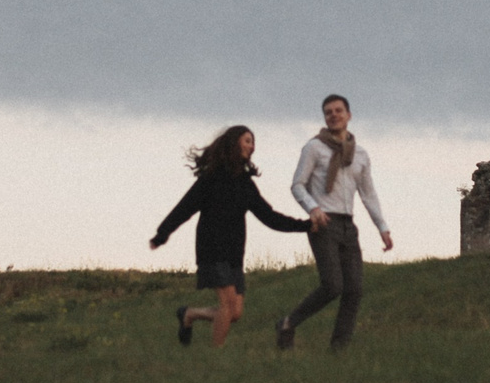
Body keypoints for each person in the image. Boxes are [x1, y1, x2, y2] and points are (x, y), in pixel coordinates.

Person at [149, 126, 310, 348]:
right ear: (234, 143)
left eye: (253, 142)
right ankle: (216, 355)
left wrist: (306, 226)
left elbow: (269, 217)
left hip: (234, 253)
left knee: (235, 313)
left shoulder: (246, 184)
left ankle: (189, 314)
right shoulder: (210, 178)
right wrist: (162, 234)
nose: (252, 146)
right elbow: (184, 208)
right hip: (211, 248)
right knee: (226, 304)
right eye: (247, 141)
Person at [279, 93, 392, 352]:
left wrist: (382, 228)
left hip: (348, 225)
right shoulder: (314, 148)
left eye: (338, 110)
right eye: (328, 112)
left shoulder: (360, 154)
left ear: (348, 115)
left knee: (354, 289)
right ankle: (287, 323)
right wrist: (313, 208)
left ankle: (338, 349)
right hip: (323, 223)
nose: (334, 115)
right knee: (332, 286)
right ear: (324, 117)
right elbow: (298, 185)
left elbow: (368, 194)